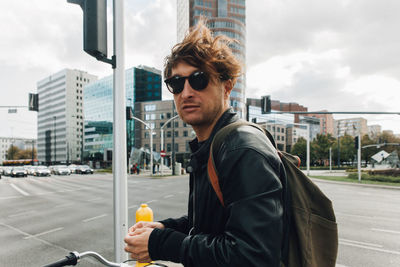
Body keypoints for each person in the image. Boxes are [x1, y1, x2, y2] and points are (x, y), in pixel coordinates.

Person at [124, 20, 287, 266]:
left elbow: (253, 255)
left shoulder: (242, 149)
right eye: (176, 84)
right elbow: (213, 224)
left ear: (227, 87)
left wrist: (160, 243)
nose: (186, 92)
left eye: (199, 80)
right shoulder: (213, 145)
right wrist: (165, 228)